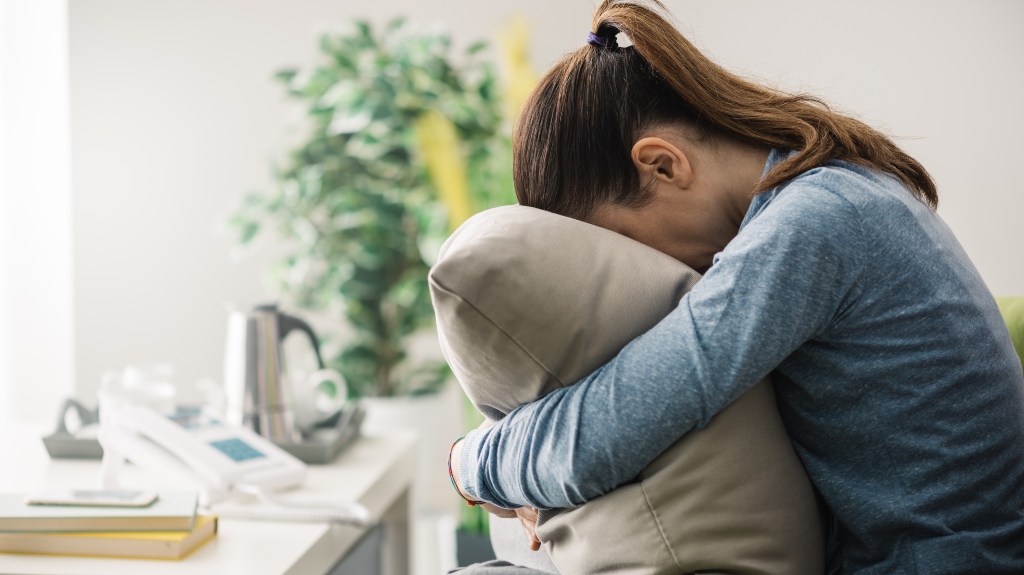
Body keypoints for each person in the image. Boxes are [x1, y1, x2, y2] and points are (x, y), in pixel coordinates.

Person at [449, 1, 1024, 573]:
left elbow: (600, 437)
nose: (644, 268)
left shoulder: (815, 224)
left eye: (625, 244)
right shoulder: (842, 188)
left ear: (663, 166)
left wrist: (468, 465)